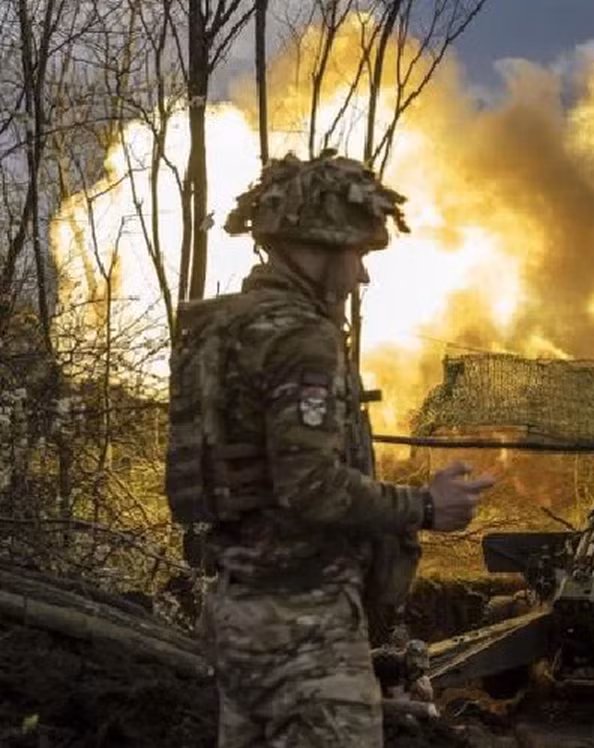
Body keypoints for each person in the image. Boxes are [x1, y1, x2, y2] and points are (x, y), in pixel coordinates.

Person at [175, 150, 494, 747]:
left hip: (238, 613)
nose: (361, 275)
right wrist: (426, 506)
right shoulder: (302, 338)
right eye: (357, 255)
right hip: (306, 627)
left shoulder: (226, 328)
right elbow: (310, 486)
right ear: (319, 246)